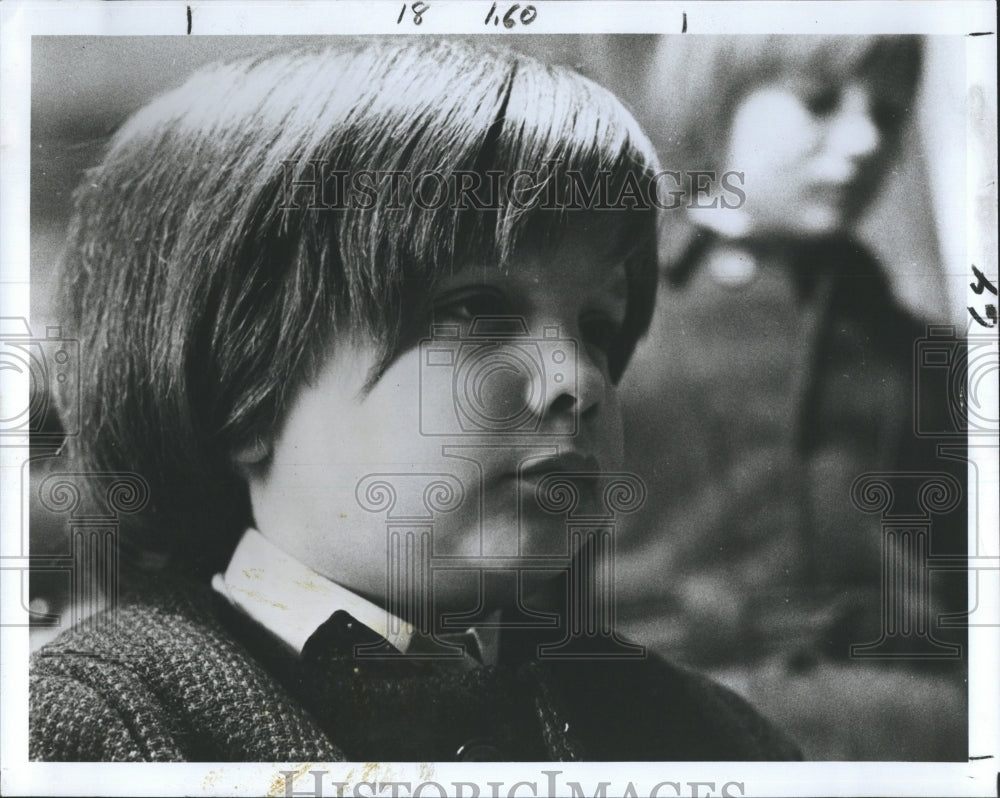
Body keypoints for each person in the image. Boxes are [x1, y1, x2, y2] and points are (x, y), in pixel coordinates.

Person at [29, 39, 800, 762]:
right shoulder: (100, 723)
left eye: (597, 325)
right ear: (244, 395)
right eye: (472, 311)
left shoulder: (699, 730)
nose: (581, 377)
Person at [614, 36, 967, 759]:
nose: (865, 139)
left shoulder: (926, 354)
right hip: (666, 734)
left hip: (910, 738)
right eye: (819, 102)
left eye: (890, 114)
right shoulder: (611, 329)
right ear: (719, 102)